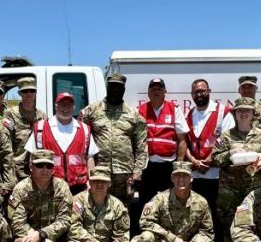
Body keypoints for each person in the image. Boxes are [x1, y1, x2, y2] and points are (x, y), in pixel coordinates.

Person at [211, 97, 261, 242]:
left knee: (256, 223)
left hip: (254, 190)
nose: (244, 114)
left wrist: (260, 159)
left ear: (253, 113)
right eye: (240, 110)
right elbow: (215, 159)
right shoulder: (226, 136)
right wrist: (230, 153)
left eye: (247, 110)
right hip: (230, 191)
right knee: (229, 224)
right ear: (235, 114)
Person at [79, 73, 147, 205]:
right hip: (99, 172)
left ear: (124, 90)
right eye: (112, 86)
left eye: (118, 87)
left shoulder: (134, 115)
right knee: (98, 206)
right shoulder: (91, 111)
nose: (115, 90)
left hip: (125, 175)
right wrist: (85, 170)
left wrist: (137, 172)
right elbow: (80, 140)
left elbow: (141, 147)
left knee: (123, 209)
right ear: (107, 87)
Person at [185, 78, 234, 241]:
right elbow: (184, 142)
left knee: (218, 216)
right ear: (192, 94)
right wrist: (193, 160)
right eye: (196, 92)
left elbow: (227, 140)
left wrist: (209, 160)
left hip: (218, 176)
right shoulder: (190, 114)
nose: (199, 94)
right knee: (199, 216)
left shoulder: (223, 112)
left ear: (209, 91)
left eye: (202, 91)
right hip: (197, 176)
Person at [25, 92, 98, 195]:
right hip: (49, 186)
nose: (66, 108)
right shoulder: (40, 128)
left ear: (74, 107)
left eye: (69, 105)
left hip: (79, 188)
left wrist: (91, 182)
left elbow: (90, 157)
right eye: (62, 104)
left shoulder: (85, 129)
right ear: (56, 106)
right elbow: (32, 157)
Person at [137, 77, 189, 207]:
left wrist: (179, 164)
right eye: (153, 89)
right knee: (146, 202)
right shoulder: (141, 110)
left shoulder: (174, 109)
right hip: (147, 167)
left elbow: (182, 140)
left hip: (167, 167)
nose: (156, 91)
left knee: (169, 202)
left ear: (165, 91)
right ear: (148, 93)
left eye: (159, 88)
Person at [3, 76, 47, 180]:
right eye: (25, 91)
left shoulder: (42, 115)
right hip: (17, 169)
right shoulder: (10, 114)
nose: (29, 94)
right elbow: (6, 144)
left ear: (35, 93)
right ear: (20, 93)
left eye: (32, 91)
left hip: (38, 167)